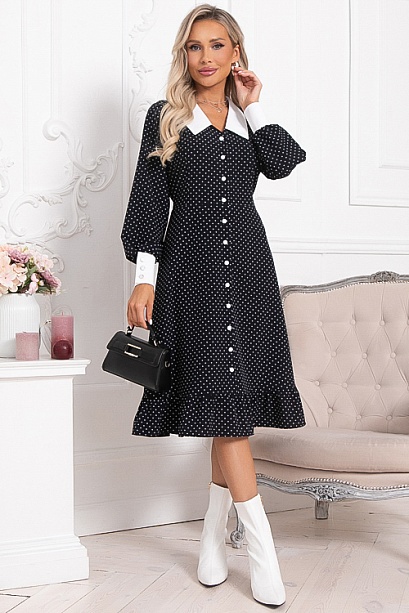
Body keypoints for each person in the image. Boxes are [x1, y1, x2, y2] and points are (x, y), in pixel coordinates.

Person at [121, 4, 306, 607]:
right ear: (185, 54)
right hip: (191, 277)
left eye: (217, 45)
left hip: (248, 275)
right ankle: (262, 551)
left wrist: (255, 105)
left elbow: (283, 164)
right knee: (222, 408)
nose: (205, 57)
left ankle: (210, 537)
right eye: (195, 46)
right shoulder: (166, 117)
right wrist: (144, 279)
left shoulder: (250, 119)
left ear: (235, 53)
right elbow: (149, 202)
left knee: (228, 407)